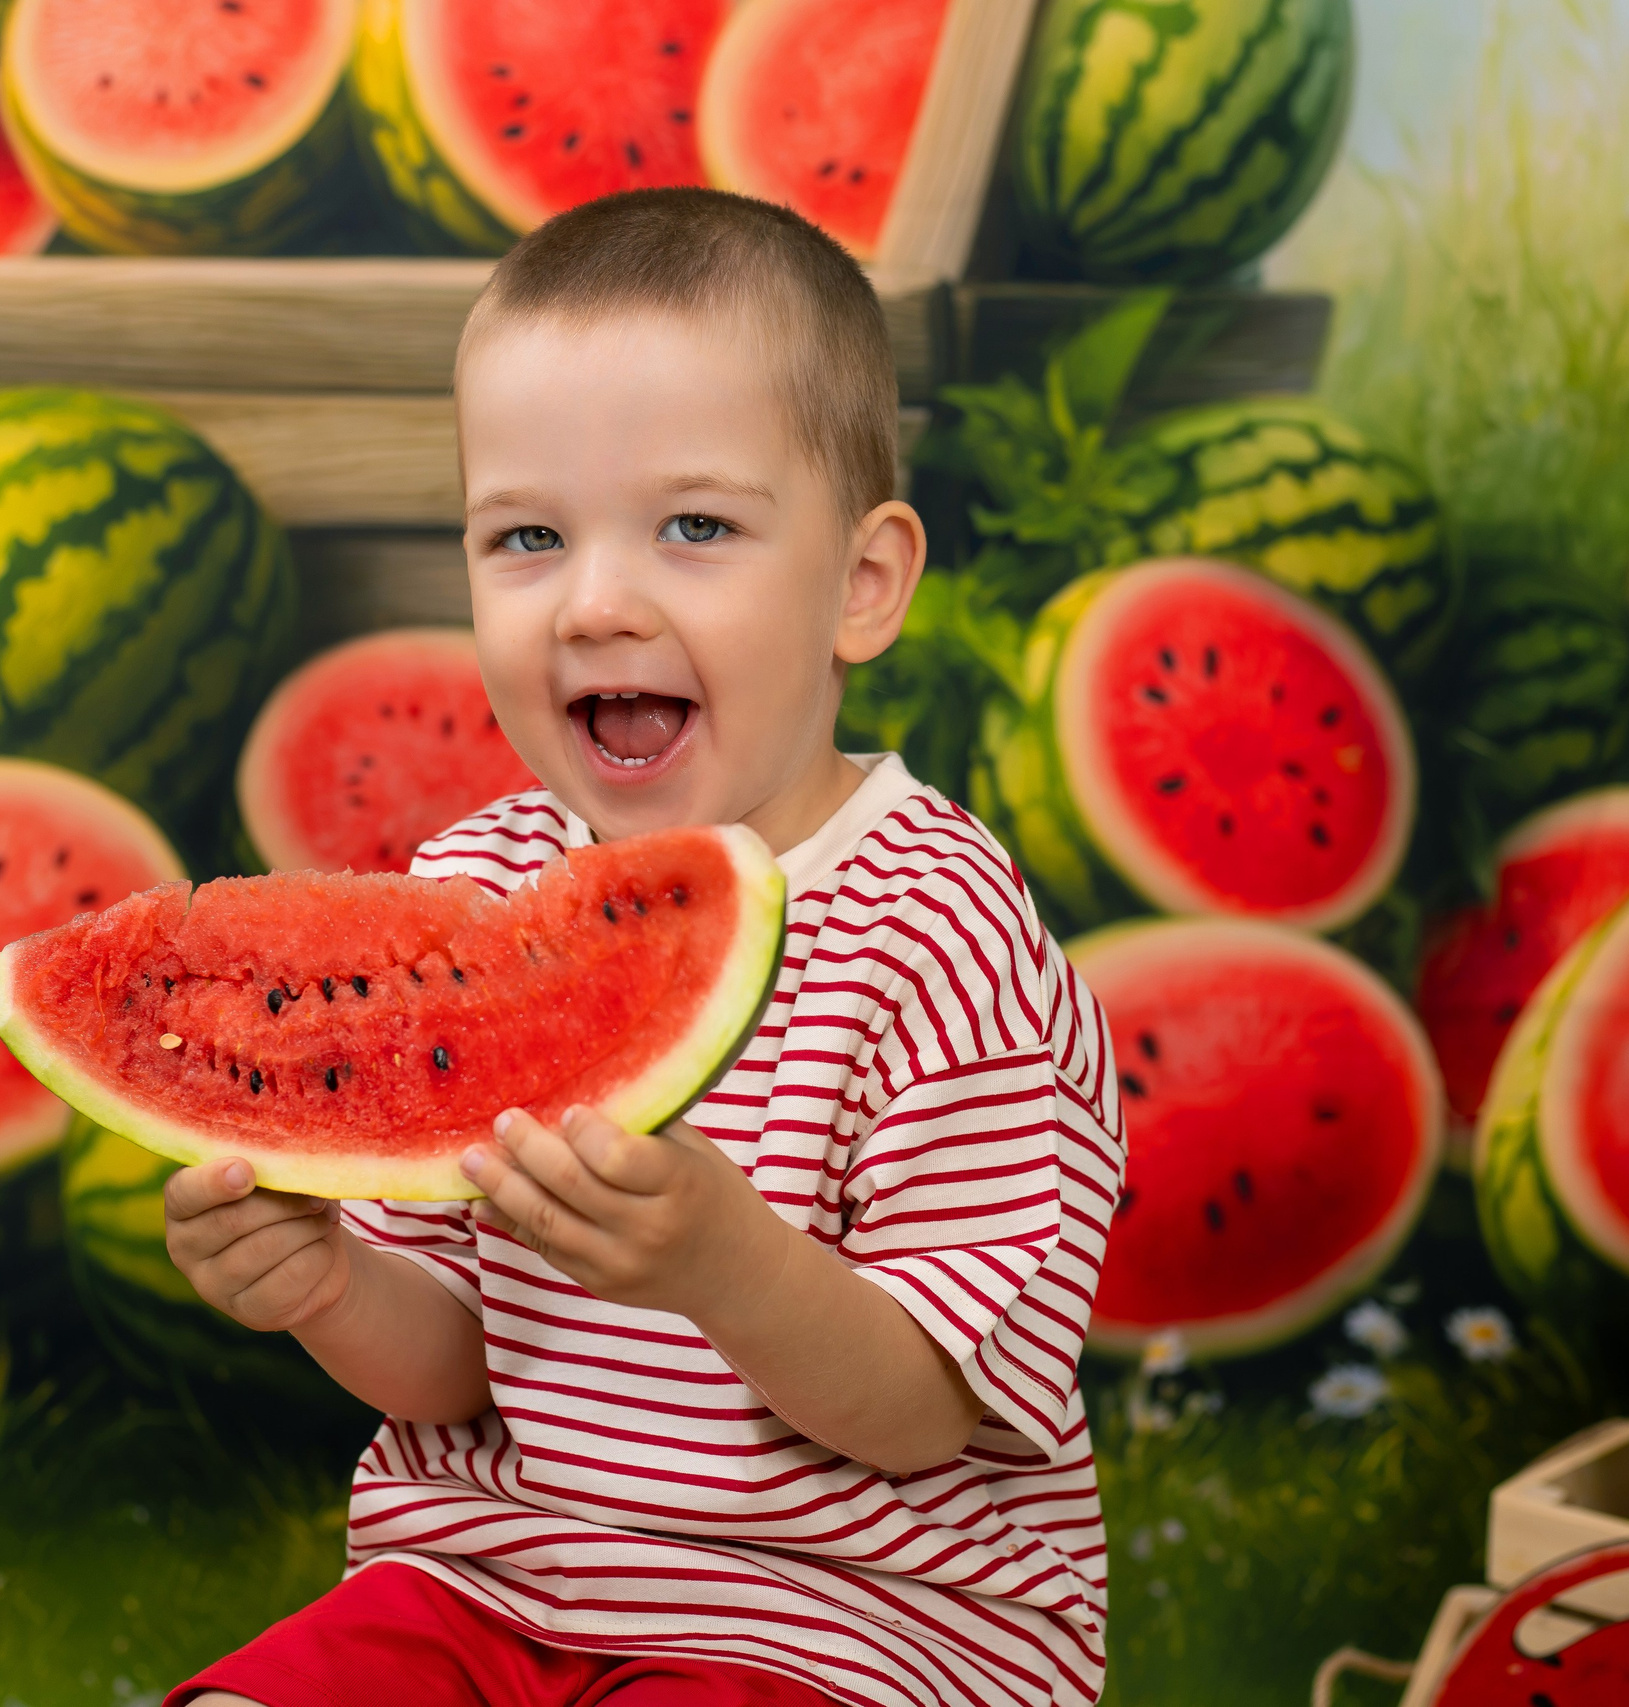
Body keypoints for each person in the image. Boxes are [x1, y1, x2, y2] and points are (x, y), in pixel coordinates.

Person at [161, 187, 1125, 1707]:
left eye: (696, 528)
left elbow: (928, 1408)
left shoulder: (949, 943)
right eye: (529, 536)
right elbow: (455, 1370)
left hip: (851, 1630)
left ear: (863, 584)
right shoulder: (474, 893)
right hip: (487, 1579)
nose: (600, 603)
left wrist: (726, 1263)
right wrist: (325, 1287)